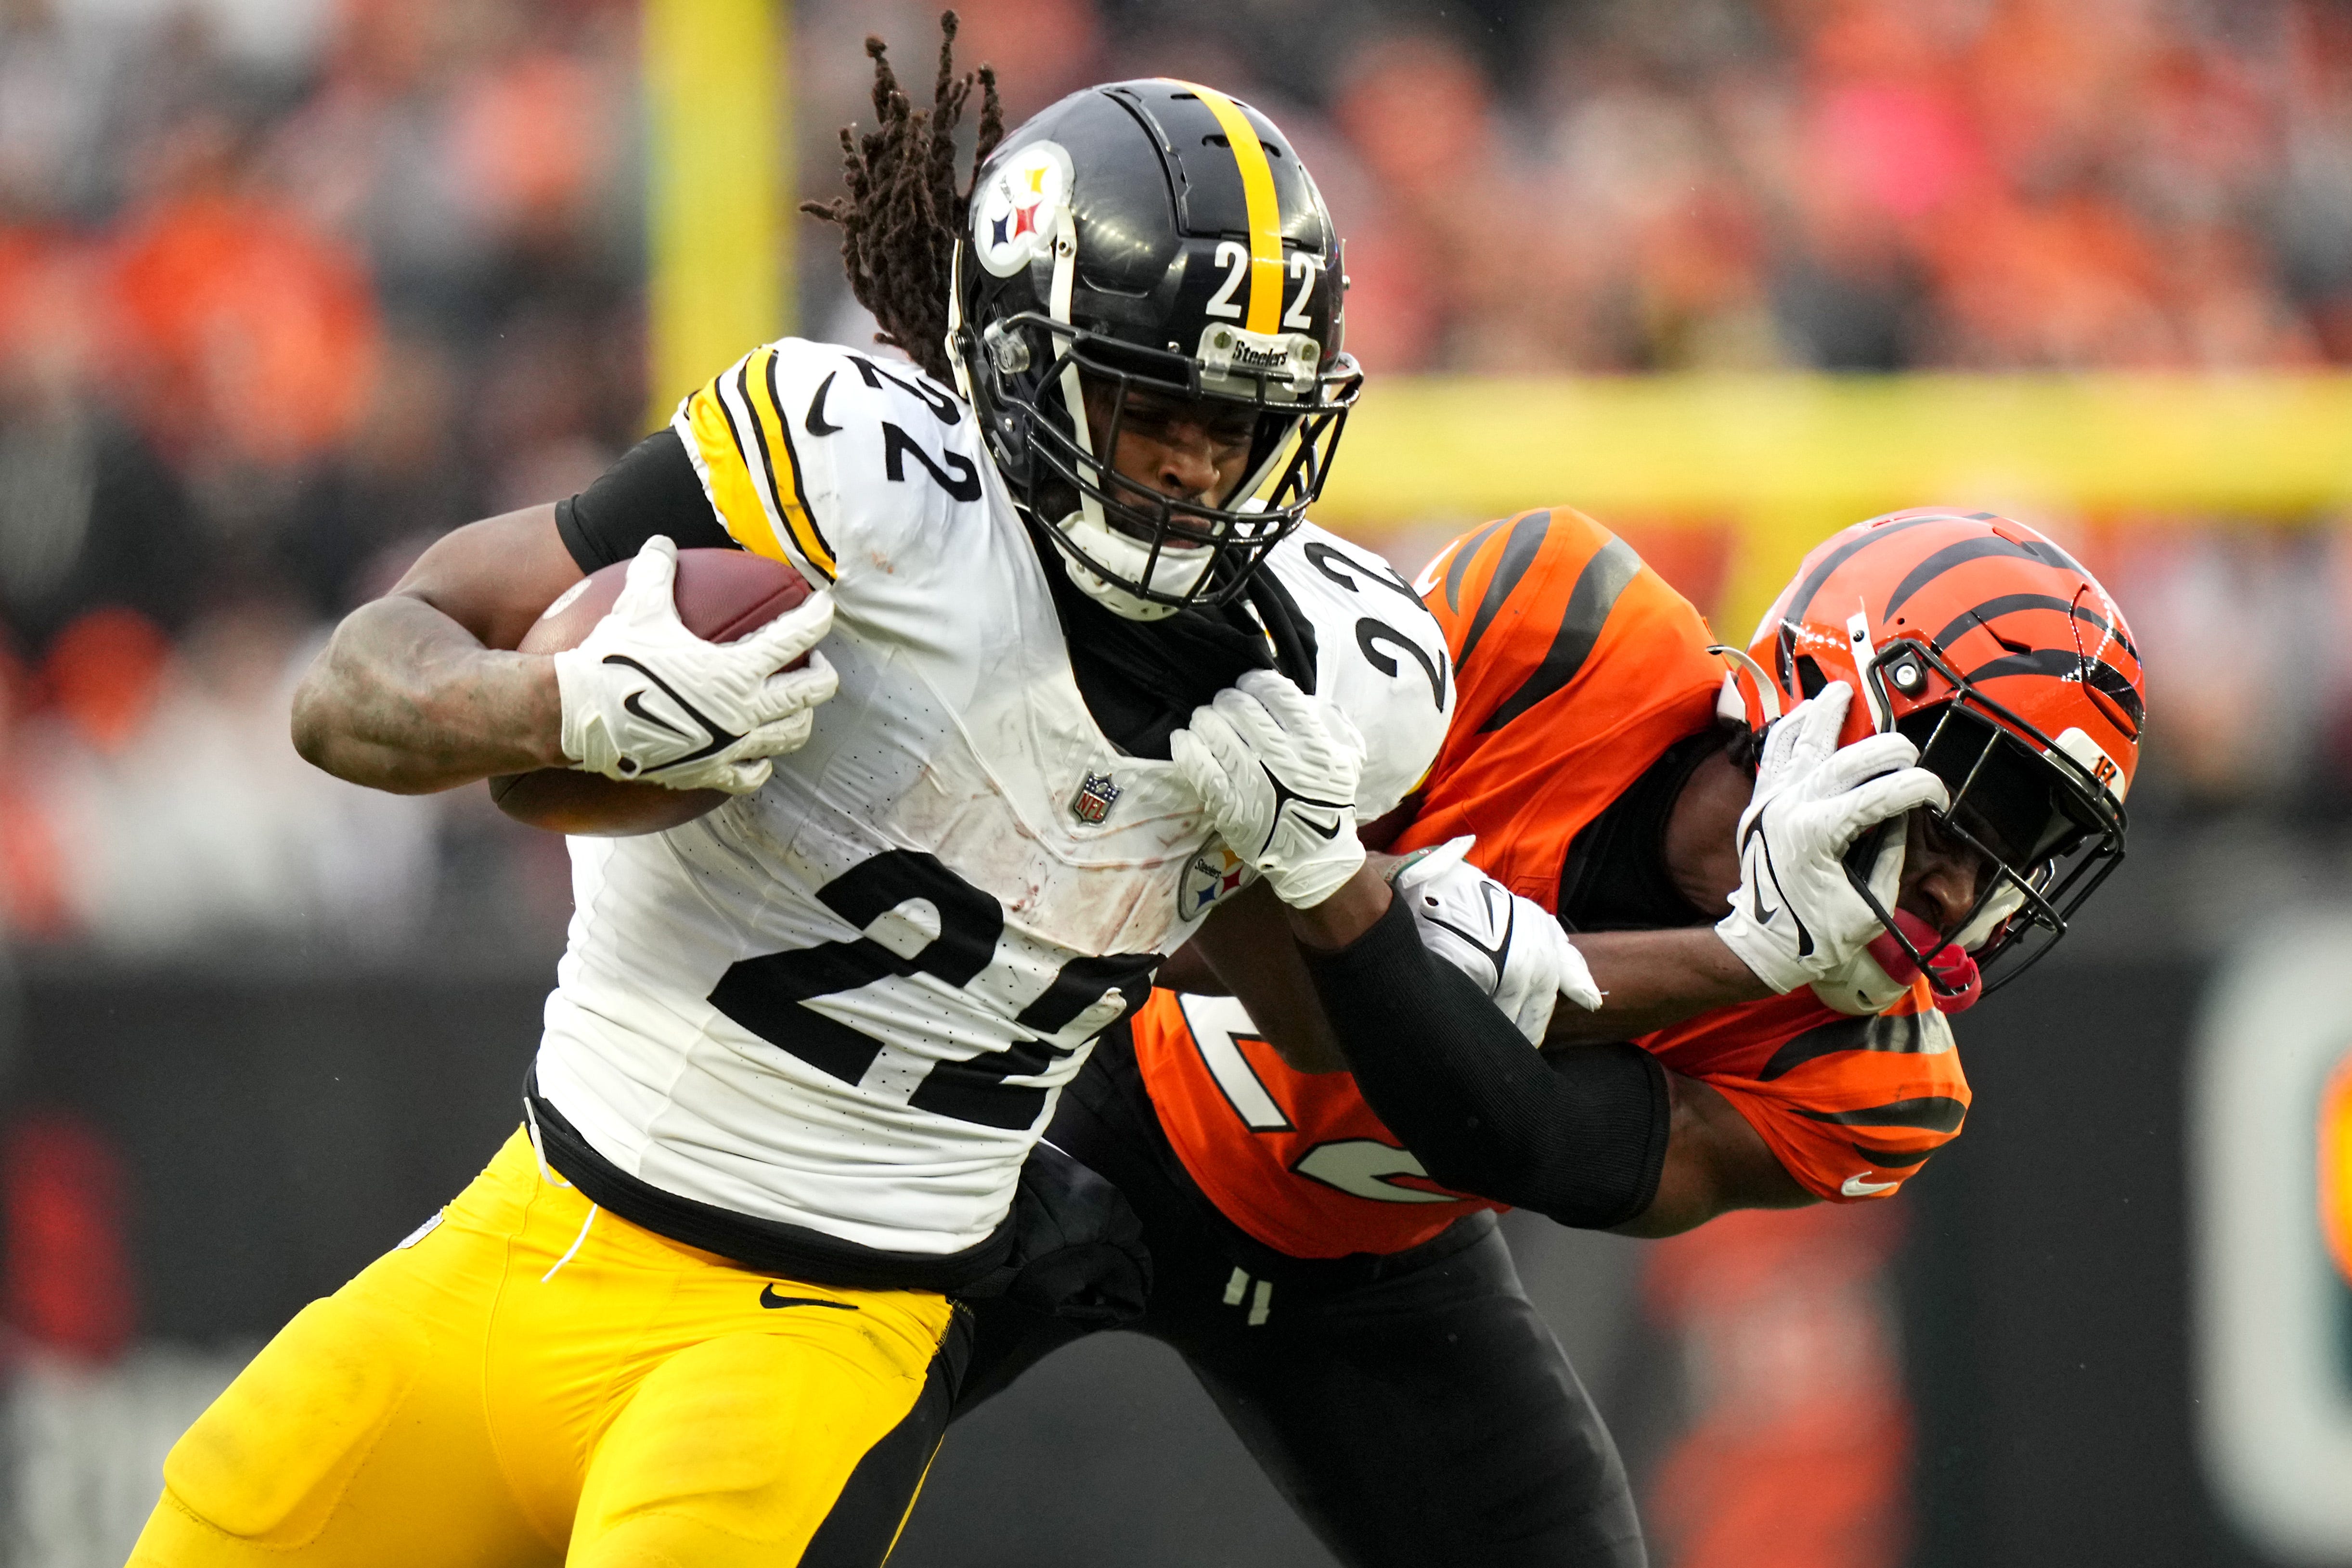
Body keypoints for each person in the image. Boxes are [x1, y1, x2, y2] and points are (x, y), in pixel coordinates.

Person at [129, 26, 1453, 1568]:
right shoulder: (853, 480)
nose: (1192, 475)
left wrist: (1320, 868)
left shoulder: (1314, 667)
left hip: (819, 1320)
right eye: (1149, 409)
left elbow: (1322, 1030)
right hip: (530, 1226)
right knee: (218, 1516)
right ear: (1018, 365)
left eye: (1236, 427)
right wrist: (562, 707)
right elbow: (353, 683)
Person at [953, 503, 2144, 1568]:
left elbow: (1511, 1138)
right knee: (833, 1455)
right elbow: (1186, 897)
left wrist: (1744, 962)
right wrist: (1729, 956)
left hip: (1372, 1273)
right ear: (1833, 692)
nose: (1963, 886)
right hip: (1090, 1107)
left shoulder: (1882, 1082)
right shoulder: (1564, 628)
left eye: (2023, 845)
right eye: (1970, 802)